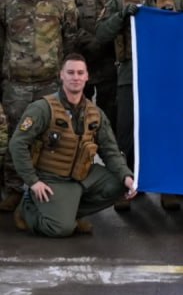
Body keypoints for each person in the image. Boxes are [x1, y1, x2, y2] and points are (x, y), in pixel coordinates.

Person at [93, 0, 183, 211]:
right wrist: (121, 17)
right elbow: (101, 35)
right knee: (127, 132)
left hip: (167, 75)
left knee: (167, 128)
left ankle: (168, 186)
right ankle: (127, 185)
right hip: (131, 73)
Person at [9, 54, 136, 237]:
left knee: (120, 184)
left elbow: (110, 151)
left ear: (87, 76)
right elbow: (17, 144)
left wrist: (126, 176)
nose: (75, 77)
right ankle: (28, 208)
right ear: (61, 75)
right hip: (52, 177)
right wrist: (33, 181)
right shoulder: (43, 108)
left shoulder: (95, 113)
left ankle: (69, 213)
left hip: (82, 175)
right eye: (70, 72)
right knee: (61, 229)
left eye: (80, 73)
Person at [0, 0, 78, 213]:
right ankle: (13, 189)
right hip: (16, 85)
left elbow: (70, 40)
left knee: (51, 137)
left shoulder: (62, 0)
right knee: (16, 137)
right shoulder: (6, 0)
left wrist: (64, 78)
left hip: (50, 84)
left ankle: (49, 190)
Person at [60, 0, 121, 131]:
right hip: (80, 59)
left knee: (109, 116)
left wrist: (105, 39)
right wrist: (90, 41)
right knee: (77, 114)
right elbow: (67, 22)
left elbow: (122, 18)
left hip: (109, 61)